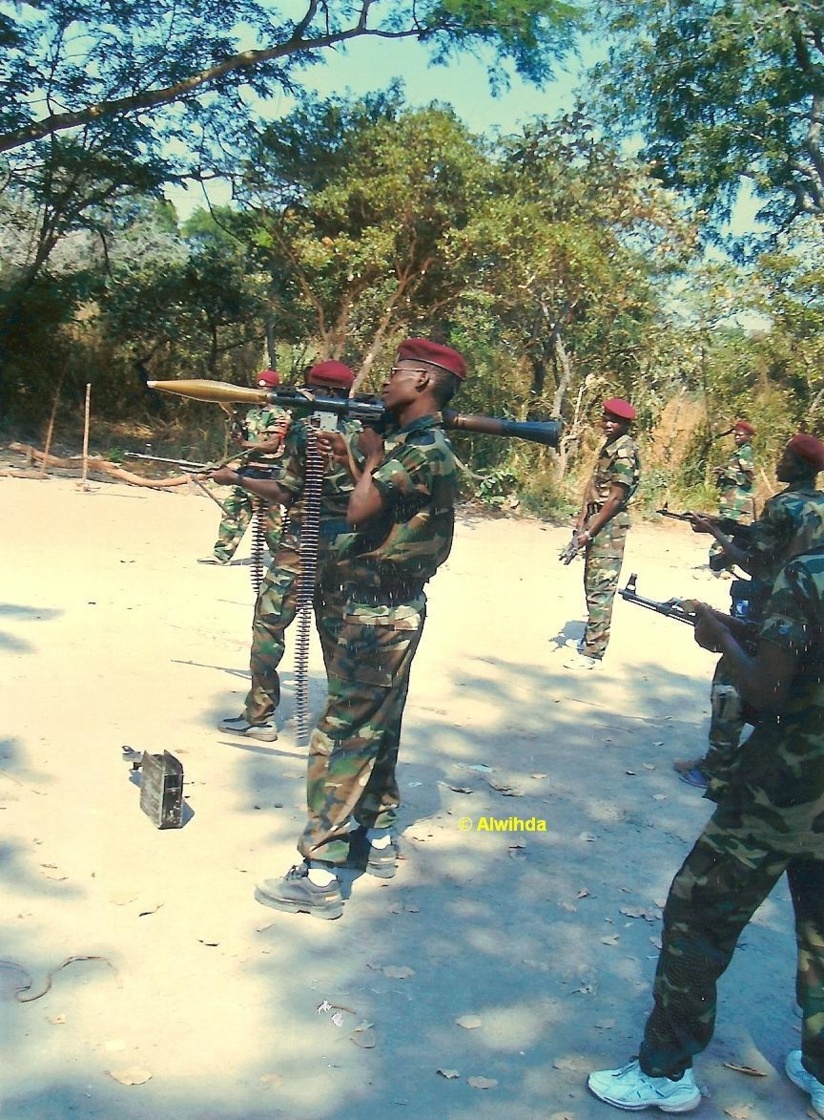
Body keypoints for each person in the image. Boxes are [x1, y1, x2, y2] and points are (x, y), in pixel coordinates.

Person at [587, 544, 824, 1117]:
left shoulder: (811, 572)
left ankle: (665, 1072)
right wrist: (759, 635)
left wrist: (725, 641)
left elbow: (767, 692)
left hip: (781, 795)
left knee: (697, 919)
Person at [253, 337, 466, 920]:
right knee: (379, 725)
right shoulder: (411, 443)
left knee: (343, 731)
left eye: (398, 371)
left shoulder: (426, 450)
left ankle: (319, 871)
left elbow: (359, 508)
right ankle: (375, 839)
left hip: (379, 612)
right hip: (381, 604)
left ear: (424, 382)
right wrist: (359, 456)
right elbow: (380, 504)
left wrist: (367, 455)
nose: (387, 379)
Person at [210, 360, 361, 742]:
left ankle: (259, 716)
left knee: (269, 624)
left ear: (321, 393)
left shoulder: (304, 432)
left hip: (302, 542)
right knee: (337, 633)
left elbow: (285, 491)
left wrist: (237, 478)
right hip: (346, 546)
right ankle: (342, 725)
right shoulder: (365, 431)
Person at [674, 433, 824, 789]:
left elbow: (755, 563)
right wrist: (727, 525)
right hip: (809, 607)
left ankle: (716, 767)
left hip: (775, 604)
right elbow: (779, 538)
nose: (779, 460)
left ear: (800, 466)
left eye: (786, 456)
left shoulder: (781, 504)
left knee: (730, 674)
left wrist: (714, 533)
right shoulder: (816, 503)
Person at [563, 398, 641, 670]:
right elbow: (594, 488)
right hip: (598, 519)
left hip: (609, 525)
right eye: (605, 418)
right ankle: (592, 641)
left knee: (601, 587)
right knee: (591, 583)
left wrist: (590, 531)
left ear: (626, 424)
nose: (608, 424)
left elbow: (616, 498)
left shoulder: (624, 451)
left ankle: (593, 652)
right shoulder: (610, 446)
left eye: (615, 420)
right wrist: (581, 522)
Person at [197, 369, 288, 565]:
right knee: (233, 509)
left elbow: (272, 445)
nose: (262, 393)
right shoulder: (252, 413)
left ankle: (282, 556)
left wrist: (245, 445)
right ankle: (222, 554)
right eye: (259, 388)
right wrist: (238, 433)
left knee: (269, 522)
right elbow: (246, 438)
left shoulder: (279, 414)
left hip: (266, 474)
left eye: (268, 389)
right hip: (247, 469)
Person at [707, 419, 756, 571]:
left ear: (748, 436)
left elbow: (749, 477)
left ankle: (718, 563)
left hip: (736, 499)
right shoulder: (738, 452)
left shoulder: (745, 452)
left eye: (740, 435)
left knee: (725, 530)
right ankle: (725, 563)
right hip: (730, 497)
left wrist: (726, 473)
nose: (736, 437)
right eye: (735, 434)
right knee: (725, 528)